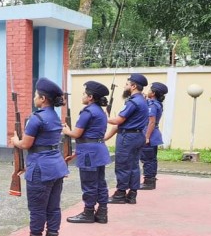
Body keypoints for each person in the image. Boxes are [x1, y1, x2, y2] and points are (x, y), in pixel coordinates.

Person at [7, 77, 69, 236]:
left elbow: (26, 144)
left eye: (36, 95)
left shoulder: (37, 118)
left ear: (43, 99)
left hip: (40, 168)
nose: (34, 98)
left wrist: (16, 140)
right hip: (56, 166)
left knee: (37, 207)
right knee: (53, 206)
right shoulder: (55, 117)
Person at [63, 81, 111, 224]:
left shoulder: (88, 111)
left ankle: (88, 212)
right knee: (100, 183)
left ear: (90, 97)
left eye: (84, 94)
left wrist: (66, 131)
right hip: (98, 149)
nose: (82, 96)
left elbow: (77, 133)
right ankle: (102, 212)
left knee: (89, 183)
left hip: (89, 152)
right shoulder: (100, 111)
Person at [104, 74, 150, 204]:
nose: (125, 86)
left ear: (133, 86)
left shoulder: (133, 102)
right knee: (134, 165)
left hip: (128, 137)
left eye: (127, 84)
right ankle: (132, 193)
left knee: (123, 165)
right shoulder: (143, 100)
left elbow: (119, 120)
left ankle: (120, 193)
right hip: (138, 135)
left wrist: (106, 118)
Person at [139, 82, 167, 190]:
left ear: (153, 93)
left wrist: (146, 136)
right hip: (154, 133)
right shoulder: (155, 103)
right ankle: (151, 179)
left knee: (147, 159)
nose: (147, 91)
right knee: (152, 158)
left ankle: (148, 182)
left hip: (150, 133)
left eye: (150, 90)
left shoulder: (152, 105)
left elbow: (151, 122)